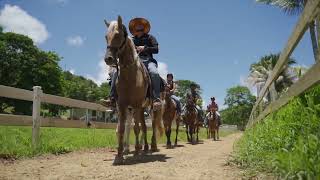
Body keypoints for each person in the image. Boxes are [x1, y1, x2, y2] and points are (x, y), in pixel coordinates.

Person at [104, 17, 162, 108]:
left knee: (154, 72)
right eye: (137, 29)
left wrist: (145, 48)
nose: (139, 30)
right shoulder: (131, 39)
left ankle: (156, 98)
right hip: (133, 61)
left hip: (148, 60)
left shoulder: (150, 37)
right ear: (134, 29)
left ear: (144, 29)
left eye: (141, 29)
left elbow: (156, 49)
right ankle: (112, 97)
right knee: (115, 72)